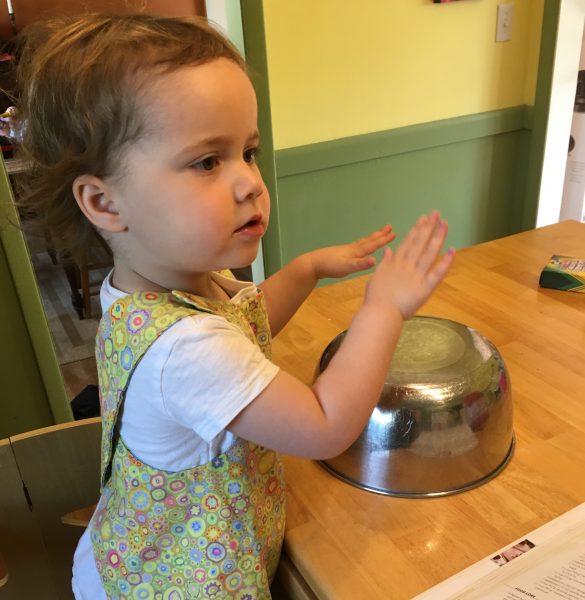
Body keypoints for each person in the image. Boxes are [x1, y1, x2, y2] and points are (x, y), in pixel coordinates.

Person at [13, 14, 454, 600]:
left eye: (248, 151)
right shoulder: (186, 350)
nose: (249, 181)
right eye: (206, 162)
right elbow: (324, 425)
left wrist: (304, 270)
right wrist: (384, 309)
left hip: (132, 549)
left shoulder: (156, 289)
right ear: (105, 202)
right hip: (169, 583)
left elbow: (245, 323)